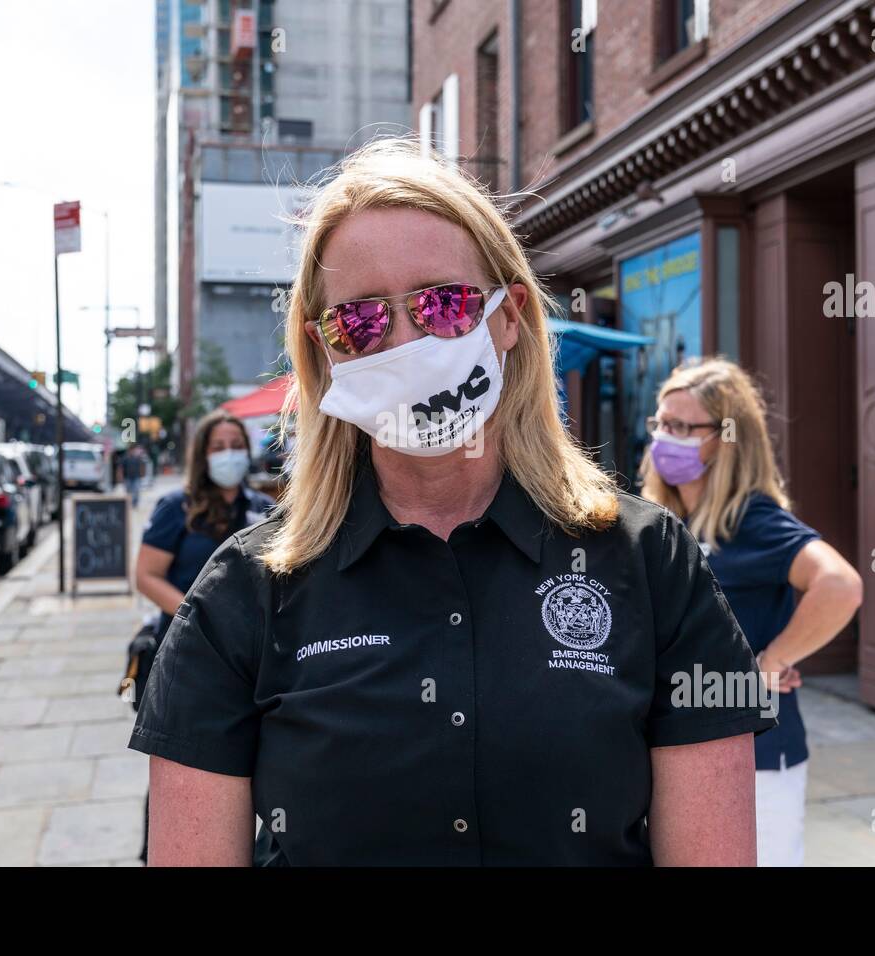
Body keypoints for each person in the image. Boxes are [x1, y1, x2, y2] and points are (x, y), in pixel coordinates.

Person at [129, 137, 775, 867]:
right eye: (361, 321)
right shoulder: (240, 597)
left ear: (508, 318)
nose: (405, 339)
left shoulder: (651, 562)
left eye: (443, 304)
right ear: (324, 349)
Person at [639, 358, 864, 867]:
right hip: (679, 748)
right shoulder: (669, 520)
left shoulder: (753, 519)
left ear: (725, 438)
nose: (663, 440)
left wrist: (769, 665)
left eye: (680, 427)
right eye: (659, 423)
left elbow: (841, 585)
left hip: (757, 759)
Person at [132, 409, 275, 863]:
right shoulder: (176, 508)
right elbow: (146, 575)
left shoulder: (259, 507)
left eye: (236, 445)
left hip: (252, 659)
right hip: (184, 654)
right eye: (219, 447)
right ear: (202, 454)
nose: (229, 453)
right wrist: (202, 619)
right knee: (185, 766)